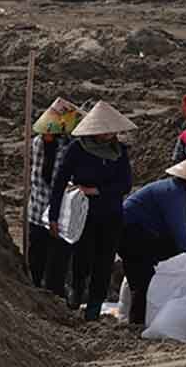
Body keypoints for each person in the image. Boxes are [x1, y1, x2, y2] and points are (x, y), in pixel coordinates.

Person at [49, 100, 134, 321]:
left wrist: (98, 190)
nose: (108, 134)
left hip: (112, 214)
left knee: (105, 263)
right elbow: (59, 182)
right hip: (83, 214)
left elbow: (125, 184)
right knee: (82, 259)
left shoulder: (119, 151)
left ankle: (94, 310)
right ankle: (76, 296)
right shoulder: (77, 149)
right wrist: (54, 215)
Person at [119, 151, 186, 325]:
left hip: (151, 234)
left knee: (169, 267)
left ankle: (151, 319)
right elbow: (179, 231)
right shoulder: (173, 194)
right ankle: (136, 323)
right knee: (142, 279)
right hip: (130, 231)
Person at [27, 97, 81, 292]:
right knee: (38, 260)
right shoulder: (43, 144)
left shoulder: (63, 147)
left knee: (55, 263)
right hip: (39, 210)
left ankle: (52, 295)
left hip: (54, 212)